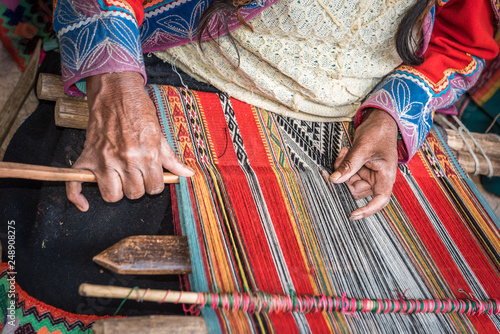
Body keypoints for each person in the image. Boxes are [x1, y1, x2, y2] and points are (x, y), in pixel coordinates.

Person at [53, 0, 499, 220]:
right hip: (183, 72)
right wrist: (115, 86)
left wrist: (392, 116)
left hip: (350, 129)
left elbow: (461, 39)